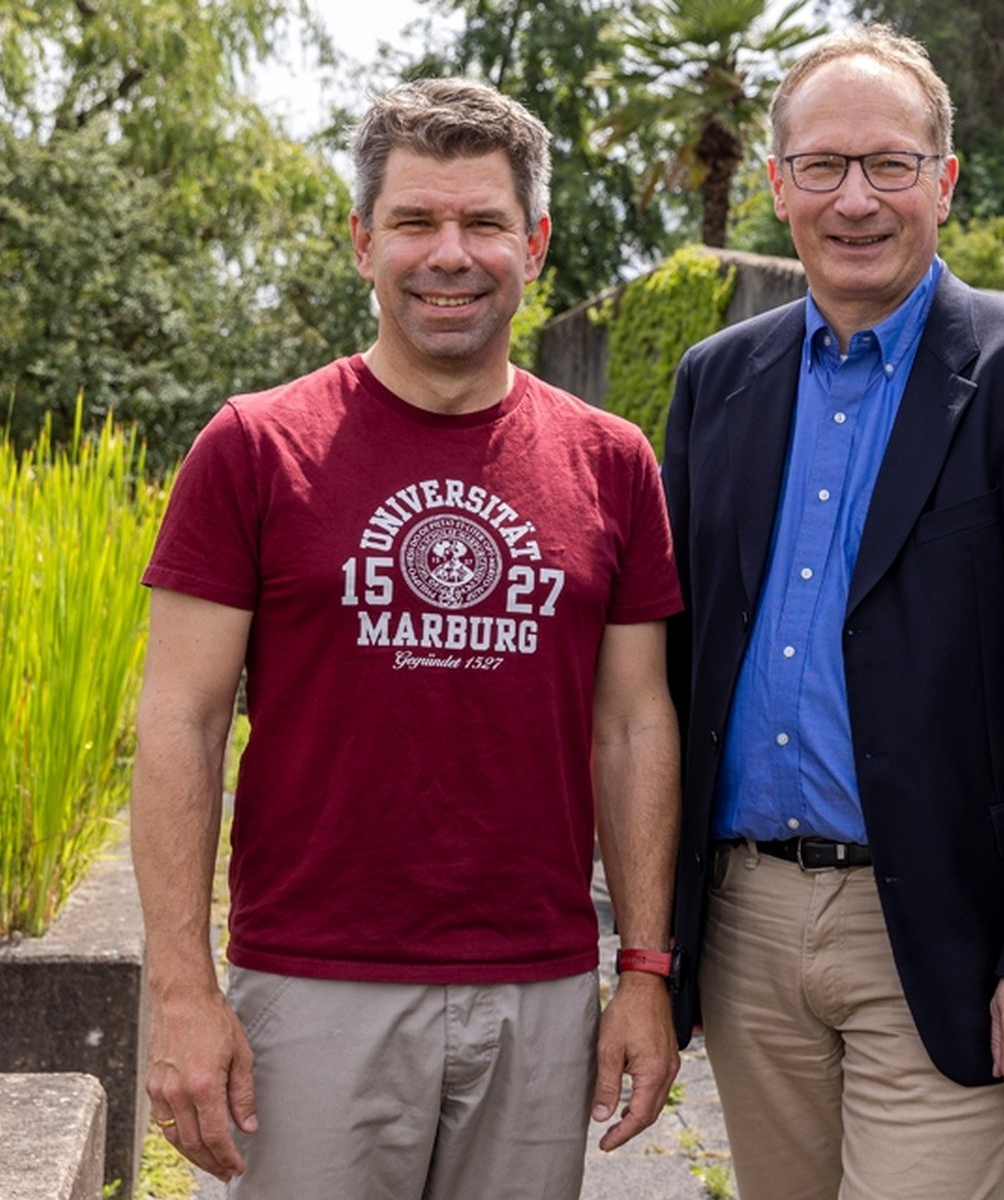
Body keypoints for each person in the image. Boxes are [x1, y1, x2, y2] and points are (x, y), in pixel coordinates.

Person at [130, 78, 682, 1199]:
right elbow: (181, 723)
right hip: (314, 987)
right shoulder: (253, 449)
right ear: (362, 244)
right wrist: (181, 989)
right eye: (415, 221)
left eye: (484, 223)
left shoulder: (613, 461)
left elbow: (633, 725)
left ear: (535, 245)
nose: (450, 254)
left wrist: (642, 971)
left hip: (538, 988)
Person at [659, 25, 1004, 1200]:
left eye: (890, 164)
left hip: (943, 930)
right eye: (822, 166)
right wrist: (657, 943)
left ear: (945, 181)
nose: (856, 199)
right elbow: (675, 664)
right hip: (746, 923)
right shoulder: (715, 382)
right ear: (778, 187)